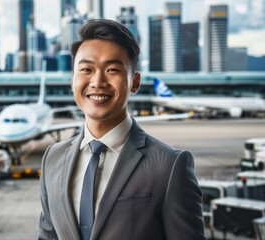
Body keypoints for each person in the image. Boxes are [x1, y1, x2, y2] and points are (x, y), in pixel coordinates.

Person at [38, 19, 204, 240]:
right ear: (73, 80)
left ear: (135, 82)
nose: (97, 81)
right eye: (86, 69)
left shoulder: (170, 166)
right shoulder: (53, 158)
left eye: (112, 69)